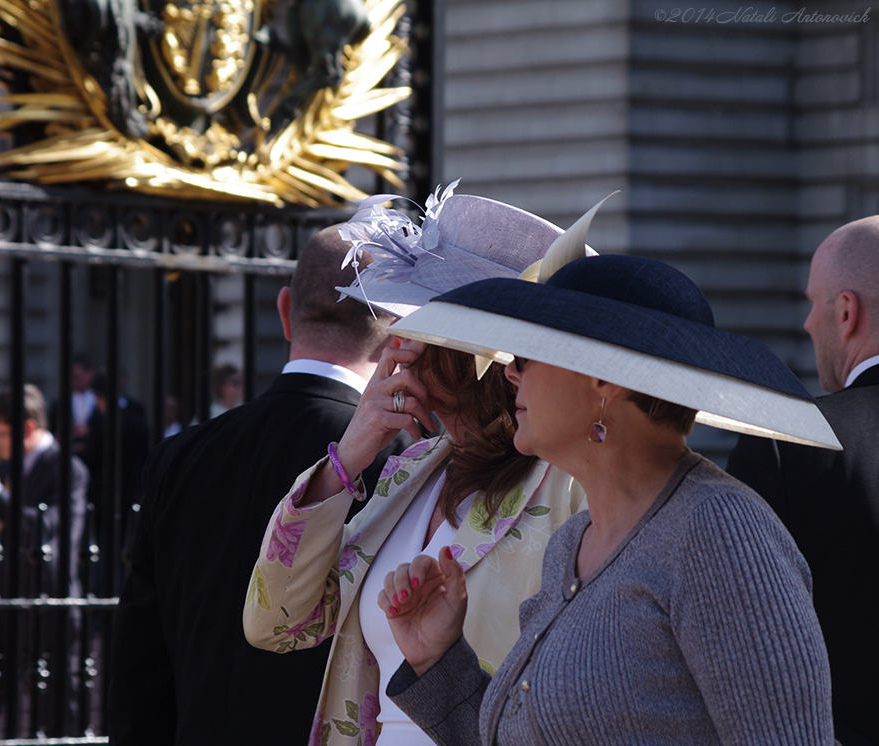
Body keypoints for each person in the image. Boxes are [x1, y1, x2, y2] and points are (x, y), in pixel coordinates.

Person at [377, 253, 838, 745]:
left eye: (528, 354)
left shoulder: (718, 531)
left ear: (604, 379)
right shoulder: (573, 541)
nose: (511, 373)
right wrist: (437, 659)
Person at [244, 187, 602, 746]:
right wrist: (353, 452)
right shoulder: (410, 470)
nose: (393, 337)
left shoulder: (573, 483)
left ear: (470, 354)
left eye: (413, 319)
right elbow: (277, 624)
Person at [107, 225, 415, 746]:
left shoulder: (178, 457)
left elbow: (139, 672)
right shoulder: (403, 461)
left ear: (285, 310)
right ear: (400, 332)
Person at [727, 216, 879, 746]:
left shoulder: (786, 445)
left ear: (846, 311)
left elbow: (734, 636)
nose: (809, 324)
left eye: (815, 303)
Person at [0, 384, 89, 598]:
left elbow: (45, 527)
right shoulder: (5, 465)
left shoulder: (68, 469)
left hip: (47, 599)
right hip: (6, 597)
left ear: (27, 429)